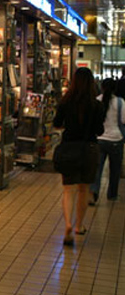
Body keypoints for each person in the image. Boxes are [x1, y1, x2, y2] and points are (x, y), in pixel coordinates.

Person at [53, 67, 105, 246]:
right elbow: (100, 131)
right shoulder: (96, 105)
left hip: (69, 148)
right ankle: (79, 226)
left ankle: (67, 224)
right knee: (83, 190)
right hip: (89, 150)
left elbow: (57, 124)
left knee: (68, 190)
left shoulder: (66, 101)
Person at [91, 78, 125, 204]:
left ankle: (94, 192)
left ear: (102, 87)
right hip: (116, 139)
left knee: (97, 169)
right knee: (115, 169)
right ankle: (112, 194)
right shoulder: (120, 102)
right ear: (115, 88)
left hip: (99, 139)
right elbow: (123, 120)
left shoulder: (96, 100)